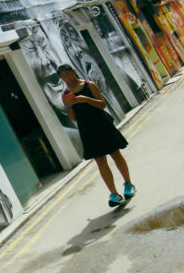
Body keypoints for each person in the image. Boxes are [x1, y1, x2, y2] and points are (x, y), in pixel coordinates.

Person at [58, 64, 136, 207]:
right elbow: (73, 117)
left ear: (74, 72)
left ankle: (128, 184)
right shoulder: (65, 94)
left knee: (115, 154)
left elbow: (102, 104)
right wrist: (69, 105)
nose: (67, 78)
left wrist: (85, 99)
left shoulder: (89, 85)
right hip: (86, 129)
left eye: (68, 74)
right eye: (63, 77)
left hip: (102, 124)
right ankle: (114, 194)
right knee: (100, 161)